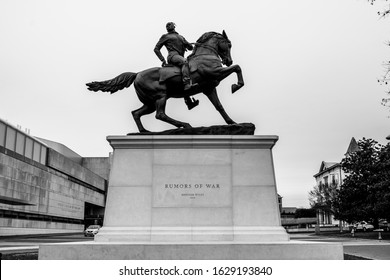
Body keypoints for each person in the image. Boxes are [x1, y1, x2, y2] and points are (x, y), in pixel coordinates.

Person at [154, 22, 199, 109]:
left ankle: (189, 102)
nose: (168, 26)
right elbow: (156, 48)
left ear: (174, 26)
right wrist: (162, 59)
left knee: (185, 70)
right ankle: (187, 84)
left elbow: (190, 47)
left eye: (170, 24)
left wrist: (191, 45)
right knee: (185, 62)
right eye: (166, 25)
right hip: (173, 56)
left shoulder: (181, 37)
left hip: (180, 57)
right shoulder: (165, 36)